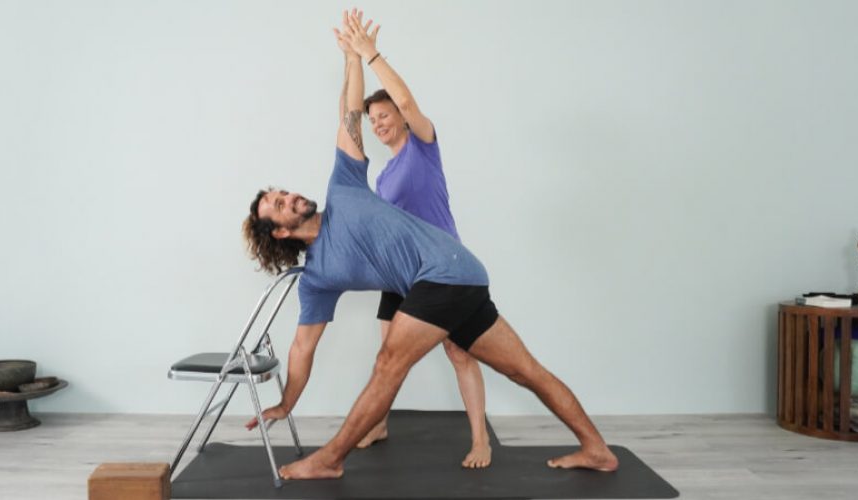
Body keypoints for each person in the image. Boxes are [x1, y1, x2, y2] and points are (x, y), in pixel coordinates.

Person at [240, 12, 619, 480]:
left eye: (284, 192)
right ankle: (597, 448)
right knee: (525, 372)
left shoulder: (345, 185)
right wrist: (287, 402)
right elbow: (302, 347)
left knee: (387, 362)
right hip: (456, 279)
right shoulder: (318, 278)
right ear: (279, 232)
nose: (290, 195)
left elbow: (349, 114)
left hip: (446, 270)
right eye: (279, 204)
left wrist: (353, 58)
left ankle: (330, 459)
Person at [333, 10, 492, 469]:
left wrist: (371, 55)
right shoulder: (383, 179)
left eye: (384, 116)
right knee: (389, 355)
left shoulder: (422, 145)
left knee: (459, 351)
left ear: (401, 119)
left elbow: (404, 97)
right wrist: (349, 63)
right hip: (404, 277)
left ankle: (481, 439)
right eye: (374, 119)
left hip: (445, 268)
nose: (379, 123)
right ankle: (379, 422)